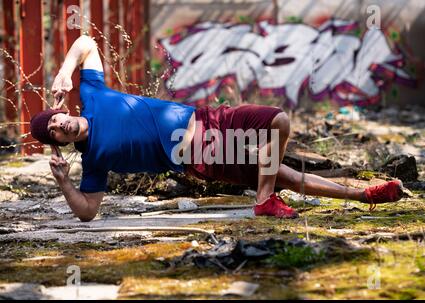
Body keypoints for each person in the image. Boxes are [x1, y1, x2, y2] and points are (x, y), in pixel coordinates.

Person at [30, 35, 404, 222]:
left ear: (60, 109)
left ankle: (267, 199)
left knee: (278, 135)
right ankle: (360, 196)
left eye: (56, 118)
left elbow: (86, 42)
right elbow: (88, 211)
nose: (60, 125)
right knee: (282, 161)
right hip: (198, 153)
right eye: (56, 132)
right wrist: (64, 182)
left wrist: (64, 70)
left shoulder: (91, 94)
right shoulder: (94, 159)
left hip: (209, 116)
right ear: (59, 143)